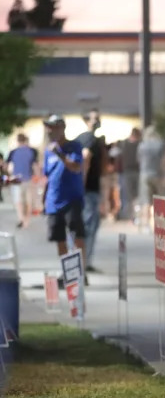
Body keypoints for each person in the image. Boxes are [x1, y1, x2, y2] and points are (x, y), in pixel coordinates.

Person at [41, 115, 86, 278]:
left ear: (62, 128)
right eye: (49, 128)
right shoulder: (48, 151)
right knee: (59, 238)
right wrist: (44, 201)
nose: (50, 131)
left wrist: (60, 154)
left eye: (54, 127)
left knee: (77, 235)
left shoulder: (74, 147)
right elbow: (47, 176)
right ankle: (67, 272)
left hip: (71, 199)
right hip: (54, 200)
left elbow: (75, 167)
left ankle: (80, 271)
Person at [73, 110, 106, 272]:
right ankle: (83, 262)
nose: (98, 121)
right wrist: (82, 185)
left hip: (88, 189)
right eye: (95, 119)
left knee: (88, 224)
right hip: (88, 190)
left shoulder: (84, 138)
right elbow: (85, 159)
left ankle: (83, 261)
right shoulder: (89, 138)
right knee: (88, 225)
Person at [5, 133, 40, 228]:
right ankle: (26, 221)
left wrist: (8, 176)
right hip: (28, 179)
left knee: (18, 201)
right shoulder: (32, 151)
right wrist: (38, 177)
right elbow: (35, 166)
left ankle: (21, 218)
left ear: (17, 141)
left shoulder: (13, 152)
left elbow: (6, 166)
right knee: (28, 201)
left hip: (16, 179)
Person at [137, 125, 165, 226]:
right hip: (157, 174)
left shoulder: (142, 145)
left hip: (144, 174)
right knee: (159, 200)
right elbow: (164, 161)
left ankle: (145, 223)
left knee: (146, 200)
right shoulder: (160, 144)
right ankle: (160, 223)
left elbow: (139, 160)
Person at [118, 128, 141, 221]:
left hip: (130, 171)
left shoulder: (124, 144)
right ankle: (132, 215)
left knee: (130, 195)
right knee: (131, 195)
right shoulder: (138, 144)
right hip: (131, 171)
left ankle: (132, 215)